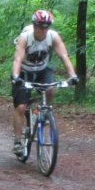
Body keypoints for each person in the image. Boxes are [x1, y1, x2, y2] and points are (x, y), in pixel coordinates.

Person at [10, 9, 78, 156]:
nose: (44, 30)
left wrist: (72, 76)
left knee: (51, 89)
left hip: (41, 69)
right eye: (41, 26)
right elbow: (17, 59)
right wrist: (16, 77)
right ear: (34, 26)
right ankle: (17, 141)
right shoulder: (25, 37)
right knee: (21, 107)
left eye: (47, 26)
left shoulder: (53, 37)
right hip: (24, 71)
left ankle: (43, 112)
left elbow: (64, 57)